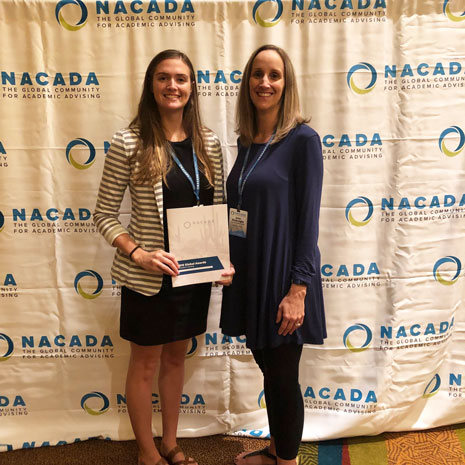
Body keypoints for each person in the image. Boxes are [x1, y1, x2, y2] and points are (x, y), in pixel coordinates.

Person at [94, 49, 233, 465]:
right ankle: (147, 453)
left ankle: (171, 443)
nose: (172, 86)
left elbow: (219, 210)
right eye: (163, 78)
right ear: (151, 86)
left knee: (176, 358)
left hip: (193, 277)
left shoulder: (208, 142)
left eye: (181, 79)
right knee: (144, 364)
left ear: (192, 88)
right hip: (149, 277)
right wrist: (138, 253)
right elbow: (103, 215)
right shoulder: (129, 142)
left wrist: (222, 261)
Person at [221, 44, 326, 465]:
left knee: (283, 378)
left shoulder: (303, 140)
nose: (265, 82)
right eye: (257, 74)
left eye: (274, 75)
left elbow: (308, 220)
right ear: (247, 82)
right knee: (271, 372)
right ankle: (276, 449)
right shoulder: (247, 142)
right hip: (250, 276)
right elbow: (239, 216)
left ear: (286, 84)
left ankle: (287, 462)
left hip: (284, 278)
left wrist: (298, 289)